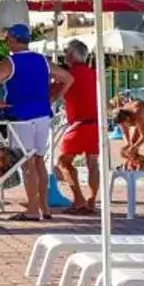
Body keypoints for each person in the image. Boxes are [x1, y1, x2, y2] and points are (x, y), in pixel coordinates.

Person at [0, 23, 57, 222]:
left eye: (7, 39)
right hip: (42, 116)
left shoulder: (10, 62)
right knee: (39, 161)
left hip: (21, 116)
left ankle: (32, 209)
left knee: (27, 163)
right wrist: (53, 97)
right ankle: (44, 207)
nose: (6, 42)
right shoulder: (42, 60)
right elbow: (67, 78)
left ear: (13, 39)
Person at [52, 40, 101, 213]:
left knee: (63, 162)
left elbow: (54, 96)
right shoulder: (94, 73)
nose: (64, 55)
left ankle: (79, 200)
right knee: (93, 163)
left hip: (79, 125)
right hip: (96, 123)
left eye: (66, 51)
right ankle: (92, 200)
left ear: (72, 55)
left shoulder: (69, 75)